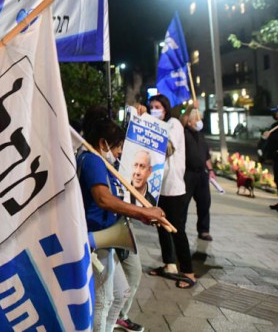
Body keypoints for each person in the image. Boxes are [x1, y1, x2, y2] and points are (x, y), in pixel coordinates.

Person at [78, 117, 165, 332]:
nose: (119, 152)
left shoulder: (102, 161)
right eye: (117, 146)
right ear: (102, 143)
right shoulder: (93, 161)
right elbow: (104, 199)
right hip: (97, 238)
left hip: (106, 237)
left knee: (120, 294)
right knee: (103, 300)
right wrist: (143, 212)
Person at [142, 94, 196, 289]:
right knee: (162, 228)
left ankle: (188, 271)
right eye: (151, 106)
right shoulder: (158, 124)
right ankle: (169, 264)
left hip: (174, 188)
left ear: (165, 108)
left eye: (157, 106)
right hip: (159, 188)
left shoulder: (173, 124)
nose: (154, 109)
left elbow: (169, 149)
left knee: (177, 231)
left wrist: (147, 124)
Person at [183, 107, 213, 240]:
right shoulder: (184, 133)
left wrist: (211, 170)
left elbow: (206, 156)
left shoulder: (201, 135)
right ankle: (179, 229)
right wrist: (190, 109)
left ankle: (204, 229)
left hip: (202, 174)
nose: (199, 121)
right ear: (189, 122)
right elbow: (182, 120)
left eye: (200, 118)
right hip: (187, 174)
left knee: (204, 202)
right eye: (196, 119)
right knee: (183, 204)